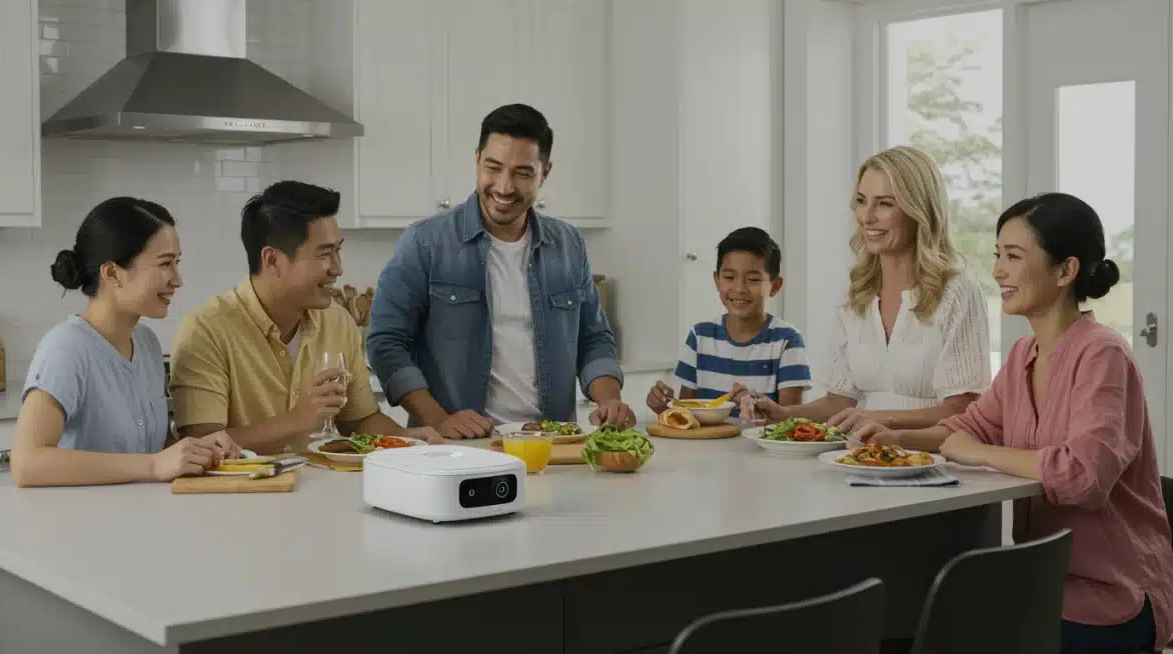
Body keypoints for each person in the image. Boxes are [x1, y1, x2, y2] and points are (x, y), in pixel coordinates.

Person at [867, 193, 1172, 653]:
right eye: (997, 255)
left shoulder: (1103, 354)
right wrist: (896, 439)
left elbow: (1084, 477)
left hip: (1111, 595)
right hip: (1043, 581)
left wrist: (979, 453)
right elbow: (971, 427)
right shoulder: (1022, 356)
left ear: (1065, 271)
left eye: (1013, 256)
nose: (998, 271)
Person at [367, 103, 633, 438]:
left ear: (545, 172)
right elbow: (385, 343)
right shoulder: (424, 243)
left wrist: (609, 400)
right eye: (493, 167)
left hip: (551, 443)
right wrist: (438, 419)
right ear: (477, 160)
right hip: (458, 446)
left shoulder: (569, 245)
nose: (504, 187)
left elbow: (593, 339)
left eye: (523, 173)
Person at [169, 181, 441, 455]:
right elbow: (203, 444)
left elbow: (359, 421)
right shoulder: (206, 329)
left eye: (338, 251)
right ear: (272, 260)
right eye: (324, 254)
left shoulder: (337, 321)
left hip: (319, 489)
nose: (338, 267)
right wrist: (298, 420)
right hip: (239, 495)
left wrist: (405, 439)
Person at [745, 146, 991, 437]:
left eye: (885, 203)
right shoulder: (857, 291)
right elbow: (840, 402)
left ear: (919, 210)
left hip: (934, 461)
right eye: (861, 201)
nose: (866, 216)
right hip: (861, 458)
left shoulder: (958, 291)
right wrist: (784, 413)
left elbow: (963, 410)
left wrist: (878, 418)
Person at [11, 198, 240, 487]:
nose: (178, 279)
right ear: (112, 273)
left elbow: (148, 450)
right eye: (165, 264)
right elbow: (26, 464)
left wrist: (199, 449)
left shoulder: (146, 343)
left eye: (177, 263)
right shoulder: (66, 349)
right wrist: (155, 465)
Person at [647, 227, 810, 417]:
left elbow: (790, 421)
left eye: (753, 279)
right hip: (707, 445)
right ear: (717, 280)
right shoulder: (700, 336)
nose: (739, 288)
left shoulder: (787, 340)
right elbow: (687, 414)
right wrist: (663, 407)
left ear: (775, 286)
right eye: (729, 277)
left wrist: (757, 409)